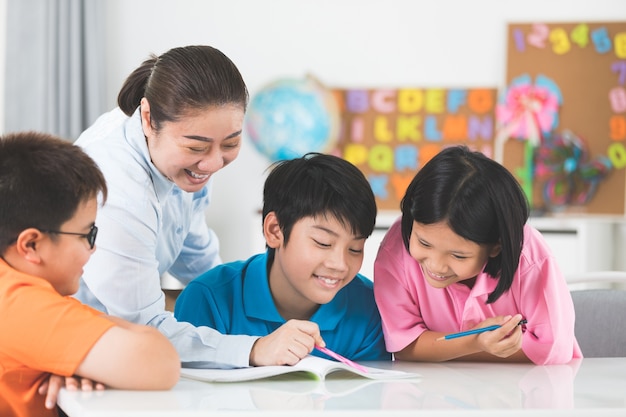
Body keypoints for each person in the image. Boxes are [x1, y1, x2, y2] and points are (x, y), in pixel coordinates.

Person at [73, 45, 270, 368]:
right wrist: (253, 349)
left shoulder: (177, 152)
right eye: (197, 147)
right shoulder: (117, 191)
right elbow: (145, 328)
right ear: (148, 118)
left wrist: (242, 306)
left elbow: (197, 255)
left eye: (231, 143)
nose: (213, 162)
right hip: (81, 350)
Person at [0, 132, 180, 417]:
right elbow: (161, 363)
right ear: (32, 245)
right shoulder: (21, 304)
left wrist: (79, 360)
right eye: (88, 234)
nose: (94, 249)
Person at [373, 145, 582, 365]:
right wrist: (476, 343)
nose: (436, 266)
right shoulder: (396, 248)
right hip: (432, 393)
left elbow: (553, 349)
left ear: (496, 246)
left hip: (524, 391)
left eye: (458, 256)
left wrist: (466, 347)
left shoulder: (530, 258)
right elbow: (404, 346)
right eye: (424, 243)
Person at [175, 153, 390, 363]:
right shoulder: (208, 299)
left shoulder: (369, 309)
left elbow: (369, 396)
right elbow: (187, 391)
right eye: (323, 243)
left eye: (355, 249)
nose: (340, 264)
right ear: (275, 231)